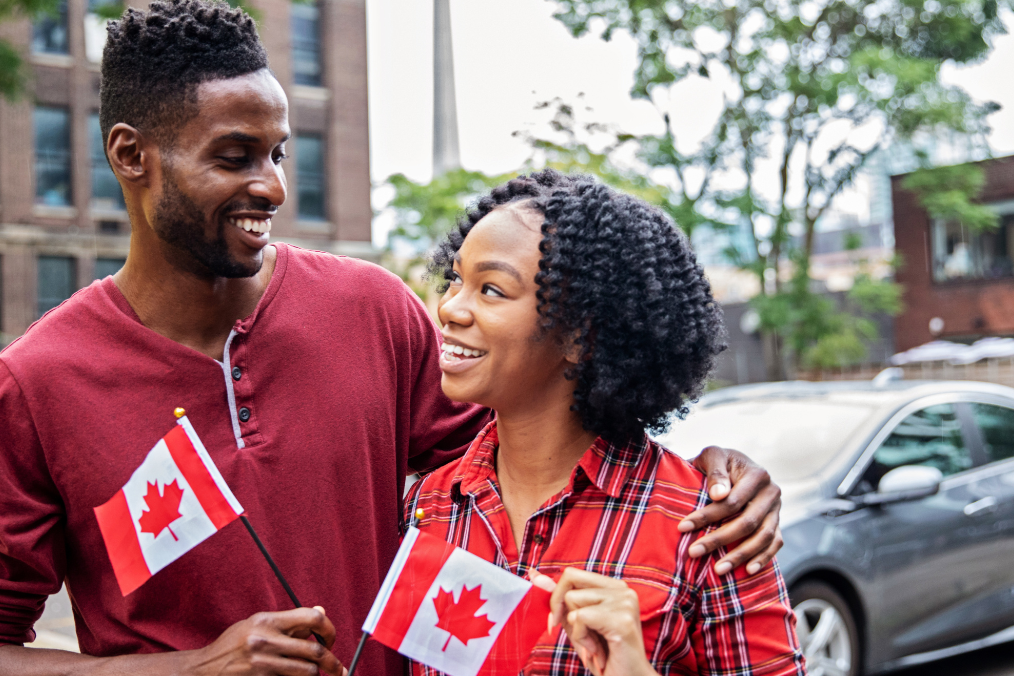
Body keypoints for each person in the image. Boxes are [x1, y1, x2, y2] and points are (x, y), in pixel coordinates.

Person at [0, 2, 782, 675]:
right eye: (234, 157)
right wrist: (196, 667)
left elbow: (543, 444)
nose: (272, 185)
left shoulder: (370, 308)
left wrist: (710, 469)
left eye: (278, 153)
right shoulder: (37, 383)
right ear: (130, 156)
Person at [408, 171, 805, 676]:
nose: (449, 308)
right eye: (455, 280)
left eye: (490, 289)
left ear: (580, 334)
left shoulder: (709, 528)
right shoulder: (428, 509)